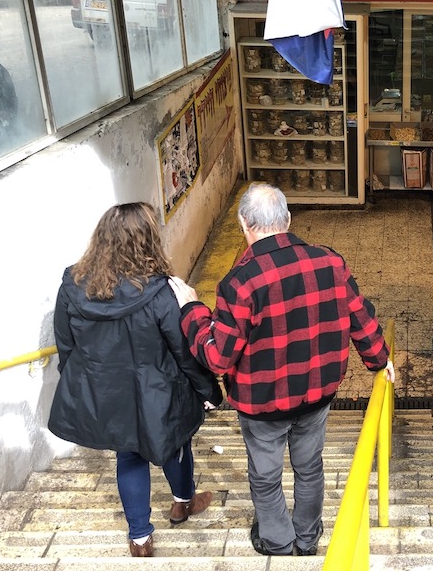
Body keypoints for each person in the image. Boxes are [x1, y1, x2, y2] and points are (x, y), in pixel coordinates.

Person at [169, 182, 395, 557]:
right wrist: (380, 359)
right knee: (310, 469)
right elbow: (360, 316)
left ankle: (276, 542)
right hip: (317, 395)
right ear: (287, 219)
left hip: (263, 405)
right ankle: (307, 540)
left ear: (244, 222)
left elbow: (219, 357)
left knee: (265, 477)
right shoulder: (329, 261)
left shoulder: (240, 282)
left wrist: (191, 310)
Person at [47, 202, 223, 558]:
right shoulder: (161, 292)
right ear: (148, 240)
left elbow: (67, 346)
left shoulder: (72, 284)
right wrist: (209, 391)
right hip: (157, 392)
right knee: (174, 443)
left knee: (128, 456)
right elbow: (183, 350)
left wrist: (86, 388)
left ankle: (140, 538)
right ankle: (182, 503)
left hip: (108, 395)